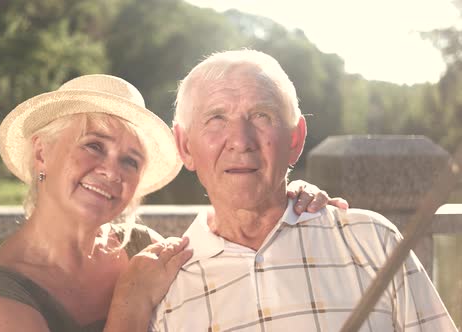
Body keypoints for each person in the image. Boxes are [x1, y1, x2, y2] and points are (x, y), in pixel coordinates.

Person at [0, 74, 343, 332]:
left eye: (130, 160)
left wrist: (282, 203)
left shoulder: (142, 246)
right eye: (94, 146)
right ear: (43, 153)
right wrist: (130, 303)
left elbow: (237, 270)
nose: (113, 171)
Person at [149, 50, 457, 331]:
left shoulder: (373, 241)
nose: (241, 141)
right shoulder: (163, 288)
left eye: (260, 116)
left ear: (295, 140)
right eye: (216, 118)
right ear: (185, 146)